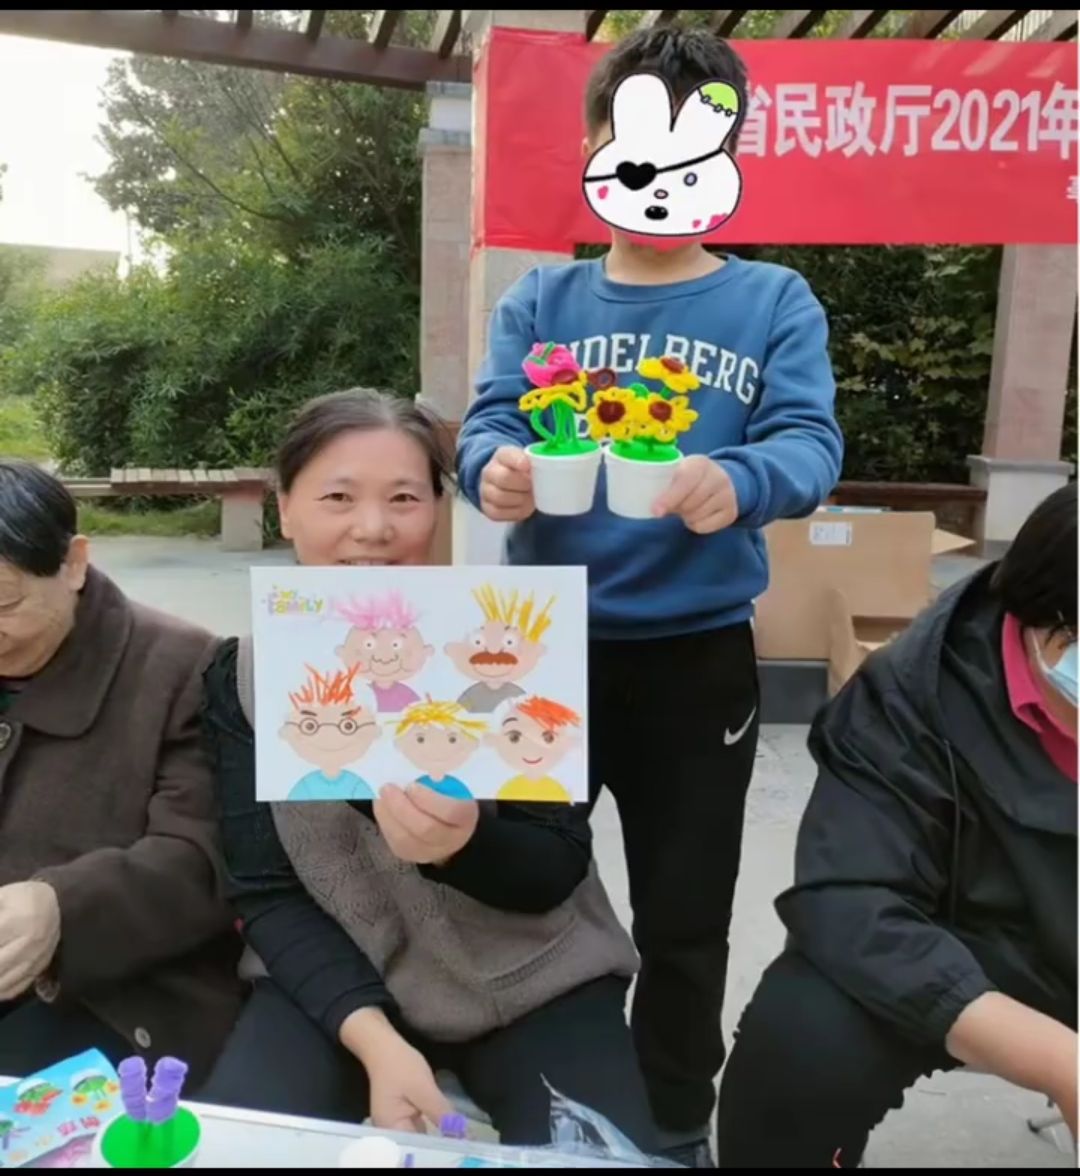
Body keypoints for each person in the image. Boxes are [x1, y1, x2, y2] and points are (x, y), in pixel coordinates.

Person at [456, 25, 843, 1166]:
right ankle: (536, 1085)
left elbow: (810, 440)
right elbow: (486, 423)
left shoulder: (772, 300)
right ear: (592, 146)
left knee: (686, 909)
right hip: (541, 651)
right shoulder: (543, 300)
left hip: (695, 658)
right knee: (526, 887)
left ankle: (675, 1114)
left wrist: (743, 478)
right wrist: (492, 467)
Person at [199, 389, 659, 1153]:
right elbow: (266, 890)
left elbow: (553, 866)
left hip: (534, 975)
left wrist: (464, 846)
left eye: (404, 498)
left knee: (600, 1153)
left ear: (440, 509)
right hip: (332, 990)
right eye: (337, 497)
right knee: (237, 1148)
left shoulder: (519, 648)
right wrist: (377, 1044)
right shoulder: (242, 674)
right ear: (286, 510)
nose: (372, 529)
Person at [715, 483, 1078, 1168]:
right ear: (1042, 625)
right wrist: (1062, 1062)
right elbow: (853, 901)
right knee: (799, 1047)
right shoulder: (913, 699)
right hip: (981, 946)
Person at [0, 460, 243, 1082]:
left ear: (74, 563)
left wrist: (61, 908)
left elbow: (201, 855)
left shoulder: (184, 665)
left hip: (114, 997)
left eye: (4, 601)